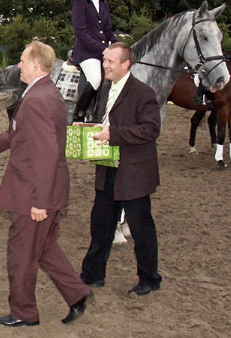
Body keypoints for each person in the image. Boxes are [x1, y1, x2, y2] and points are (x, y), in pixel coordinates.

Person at [0, 41, 92, 327]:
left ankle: (23, 312)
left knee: (22, 254)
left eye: (23, 61)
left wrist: (40, 202)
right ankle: (78, 293)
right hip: (50, 189)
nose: (19, 65)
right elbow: (21, 133)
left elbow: (47, 154)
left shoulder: (37, 99)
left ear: (36, 65)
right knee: (46, 247)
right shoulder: (46, 92)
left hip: (35, 193)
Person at [80, 41, 163, 296]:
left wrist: (113, 134)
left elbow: (151, 129)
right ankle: (92, 274)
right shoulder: (106, 88)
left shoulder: (143, 92)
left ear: (125, 64)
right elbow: (104, 121)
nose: (105, 65)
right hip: (108, 168)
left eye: (109, 62)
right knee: (101, 223)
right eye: (104, 61)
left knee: (141, 229)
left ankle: (149, 278)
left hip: (134, 173)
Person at [71, 0, 118, 122]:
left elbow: (108, 30)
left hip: (102, 51)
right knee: (96, 78)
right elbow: (81, 32)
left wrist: (119, 47)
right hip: (86, 52)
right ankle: (79, 114)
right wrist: (103, 49)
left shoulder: (104, 3)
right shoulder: (80, 2)